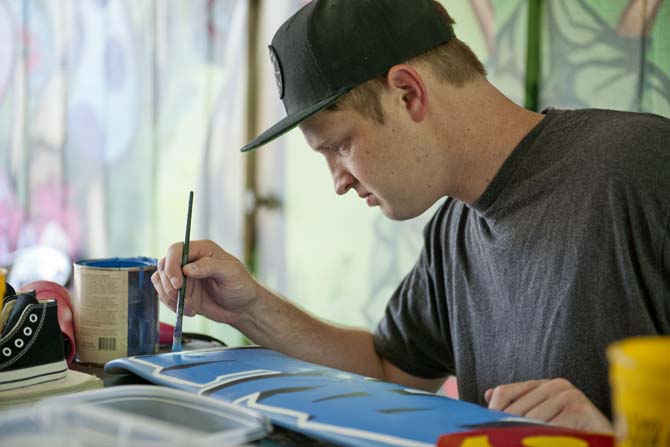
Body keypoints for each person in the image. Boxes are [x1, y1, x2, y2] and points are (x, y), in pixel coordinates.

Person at [152, 0, 670, 434]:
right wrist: (247, 308)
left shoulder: (642, 168)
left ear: (408, 93)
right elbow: (388, 368)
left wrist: (623, 441)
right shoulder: (455, 230)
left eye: (340, 146)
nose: (339, 180)